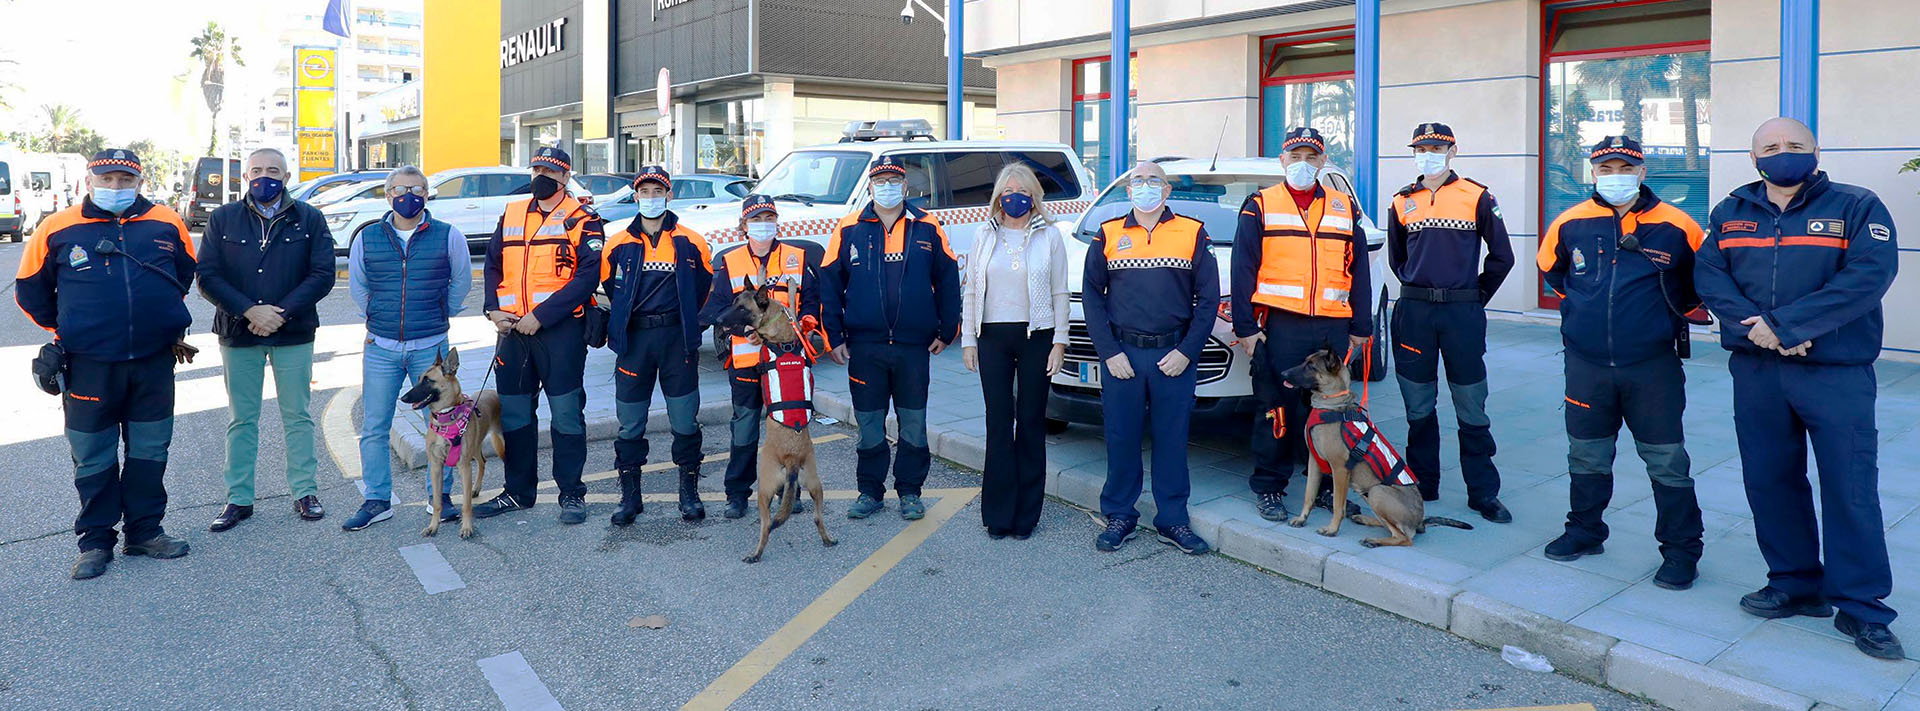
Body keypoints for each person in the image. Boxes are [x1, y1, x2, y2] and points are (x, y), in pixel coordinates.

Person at [1695, 117, 1902, 659]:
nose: (1782, 153)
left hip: (1836, 372)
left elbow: (1867, 276)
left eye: (1794, 146)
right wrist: (1763, 331)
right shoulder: (1731, 212)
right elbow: (1711, 277)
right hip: (1758, 371)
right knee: (1770, 479)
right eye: (1771, 146)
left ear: (1815, 151)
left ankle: (1861, 607)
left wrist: (1789, 327)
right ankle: (1794, 582)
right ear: (1753, 155)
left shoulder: (1856, 206)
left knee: (1849, 486)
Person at [15, 149, 197, 579]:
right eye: (107, 179)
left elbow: (181, 276)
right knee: (93, 456)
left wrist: (160, 318)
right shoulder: (56, 227)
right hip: (89, 364)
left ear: (139, 180)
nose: (115, 187)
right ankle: (96, 542)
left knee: (151, 450)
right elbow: (30, 291)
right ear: (91, 179)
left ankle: (145, 531)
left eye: (124, 179)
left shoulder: (167, 222)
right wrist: (72, 330)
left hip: (153, 361)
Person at [1537, 136, 1705, 590]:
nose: (1615, 176)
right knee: (1586, 454)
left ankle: (1681, 551)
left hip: (1652, 367)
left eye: (1624, 167)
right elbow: (1554, 273)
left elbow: (1699, 284)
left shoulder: (1677, 225)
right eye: (1606, 168)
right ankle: (1585, 531)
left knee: (1667, 461)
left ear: (1643, 171)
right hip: (1587, 365)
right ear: (1593, 172)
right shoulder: (1571, 222)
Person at [1230, 127, 1373, 523]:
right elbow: (1242, 268)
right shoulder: (1260, 204)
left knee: (1331, 413)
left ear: (1323, 162)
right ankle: (1270, 486)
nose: (1303, 164)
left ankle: (1327, 486)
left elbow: (1358, 269)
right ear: (1282, 161)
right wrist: (1245, 327)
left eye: (1312, 157)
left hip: (1333, 328)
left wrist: (1362, 326)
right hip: (1283, 327)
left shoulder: (1346, 207)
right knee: (1275, 408)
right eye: (1296, 156)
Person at [1083, 161, 1218, 555]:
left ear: (1167, 190)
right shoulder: (1108, 233)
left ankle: (1172, 519)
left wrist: (1186, 352)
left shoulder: (1191, 232)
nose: (1145, 187)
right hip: (1122, 357)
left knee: (1172, 440)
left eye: (1153, 181)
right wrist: (1108, 352)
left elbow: (1208, 299)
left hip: (1172, 357)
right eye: (1137, 181)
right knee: (1121, 437)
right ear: (1128, 190)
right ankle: (1120, 514)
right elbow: (1092, 295)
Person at [197, 147, 336, 531]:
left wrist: (280, 313)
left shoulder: (309, 218)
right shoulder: (223, 218)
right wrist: (249, 311)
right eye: (256, 170)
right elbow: (207, 276)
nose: (264, 176)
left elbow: (322, 274)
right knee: (242, 419)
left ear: (287, 177)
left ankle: (305, 492)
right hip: (239, 333)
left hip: (293, 332)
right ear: (245, 177)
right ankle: (238, 499)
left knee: (298, 416)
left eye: (273, 170)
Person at [1385, 122, 1515, 523]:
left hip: (1461, 313)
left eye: (1436, 147)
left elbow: (1502, 256)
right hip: (1416, 313)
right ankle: (1424, 483)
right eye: (1421, 147)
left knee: (1470, 403)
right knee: (1418, 404)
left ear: (1452, 150)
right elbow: (1397, 258)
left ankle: (1483, 493)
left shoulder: (1476, 195)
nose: (1428, 153)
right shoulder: (1401, 201)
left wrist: (1474, 298)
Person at [819, 156, 962, 521]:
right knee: (869, 423)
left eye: (893, 180)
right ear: (870, 187)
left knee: (913, 422)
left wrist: (948, 330)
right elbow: (830, 284)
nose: (887, 187)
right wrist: (833, 335)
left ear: (906, 186)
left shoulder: (927, 226)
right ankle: (870, 491)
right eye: (880, 180)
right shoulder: (849, 227)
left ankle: (910, 491)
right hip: (865, 347)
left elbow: (948, 279)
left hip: (915, 347)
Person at [472, 146, 604, 525]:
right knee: (514, 415)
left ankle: (572, 494)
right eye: (536, 168)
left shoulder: (582, 218)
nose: (540, 175)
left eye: (549, 170)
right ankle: (518, 491)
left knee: (565, 414)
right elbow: (493, 264)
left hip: (559, 331)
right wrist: (491, 309)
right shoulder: (513, 212)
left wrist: (541, 316)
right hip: (512, 331)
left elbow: (587, 278)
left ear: (564, 177)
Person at [340, 165, 473, 531]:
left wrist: (440, 313)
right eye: (400, 189)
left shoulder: (448, 236)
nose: (408, 195)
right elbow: (359, 288)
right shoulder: (367, 238)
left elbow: (461, 282)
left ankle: (440, 498)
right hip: (381, 346)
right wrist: (378, 316)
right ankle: (377, 499)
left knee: (444, 425)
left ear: (428, 194)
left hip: (430, 348)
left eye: (416, 189)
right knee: (375, 425)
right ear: (388, 196)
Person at [960, 162, 1069, 540]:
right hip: (992, 337)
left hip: (1036, 336)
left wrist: (1060, 340)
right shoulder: (983, 235)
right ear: (998, 198)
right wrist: (968, 341)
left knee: (1031, 423)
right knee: (998, 423)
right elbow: (972, 288)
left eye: (1021, 190)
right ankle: (998, 513)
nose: (1014, 197)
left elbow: (1059, 290)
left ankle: (1027, 515)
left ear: (1034, 197)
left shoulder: (1049, 236)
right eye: (1007, 192)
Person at [700, 194, 825, 519]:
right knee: (744, 429)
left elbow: (811, 305)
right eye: (755, 219)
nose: (763, 225)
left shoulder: (797, 257)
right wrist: (743, 331)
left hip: (787, 363)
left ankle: (789, 490)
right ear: (743, 225)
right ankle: (737, 494)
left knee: (787, 428)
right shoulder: (730, 262)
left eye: (768, 217)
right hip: (746, 361)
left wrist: (806, 326)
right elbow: (716, 310)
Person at [602, 165, 713, 524]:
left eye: (658, 191)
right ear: (635, 196)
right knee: (630, 423)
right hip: (635, 341)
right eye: (644, 192)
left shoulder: (692, 241)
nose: (651, 198)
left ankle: (689, 494)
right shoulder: (617, 242)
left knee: (685, 420)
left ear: (670, 195)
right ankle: (630, 498)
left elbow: (703, 289)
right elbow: (609, 288)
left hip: (676, 340)